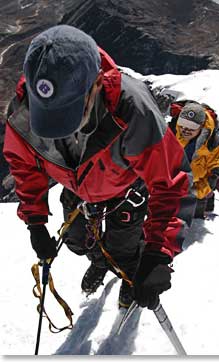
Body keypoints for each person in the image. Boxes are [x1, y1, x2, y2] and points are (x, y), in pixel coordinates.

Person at [4, 25, 196, 310]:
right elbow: (24, 165)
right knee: (77, 241)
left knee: (123, 246)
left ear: (96, 83)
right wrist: (35, 221)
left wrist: (158, 252)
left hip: (125, 191)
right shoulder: (23, 110)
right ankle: (102, 263)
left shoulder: (133, 110)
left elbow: (170, 181)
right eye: (48, 116)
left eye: (69, 112)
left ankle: (129, 273)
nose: (58, 130)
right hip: (79, 190)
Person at [169, 101, 219, 219]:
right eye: (182, 125)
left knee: (189, 221)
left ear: (202, 127)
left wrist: (198, 191)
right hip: (170, 186)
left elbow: (214, 170)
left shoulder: (212, 141)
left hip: (194, 188)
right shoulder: (171, 130)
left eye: (191, 128)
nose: (185, 130)